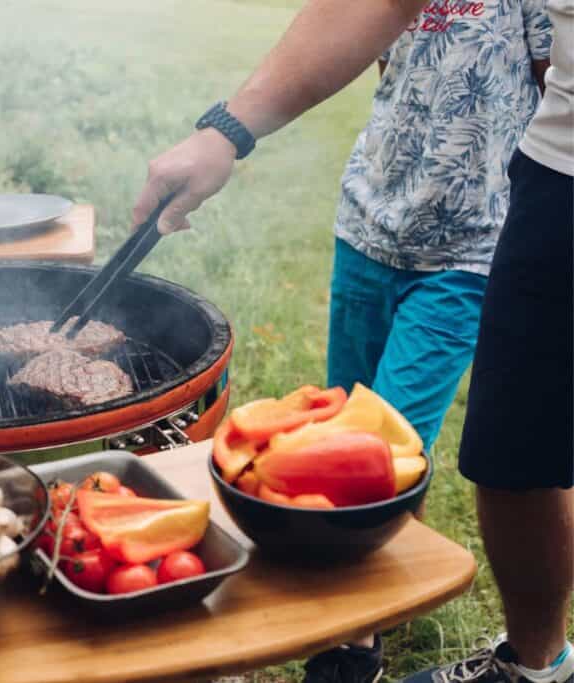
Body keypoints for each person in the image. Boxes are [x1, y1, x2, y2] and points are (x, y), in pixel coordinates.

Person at [131, 0, 573, 682]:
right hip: (369, 221)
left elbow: (551, 88)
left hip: (469, 248)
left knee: (385, 435)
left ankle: (355, 639)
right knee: (342, 418)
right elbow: (372, 33)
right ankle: (363, 586)